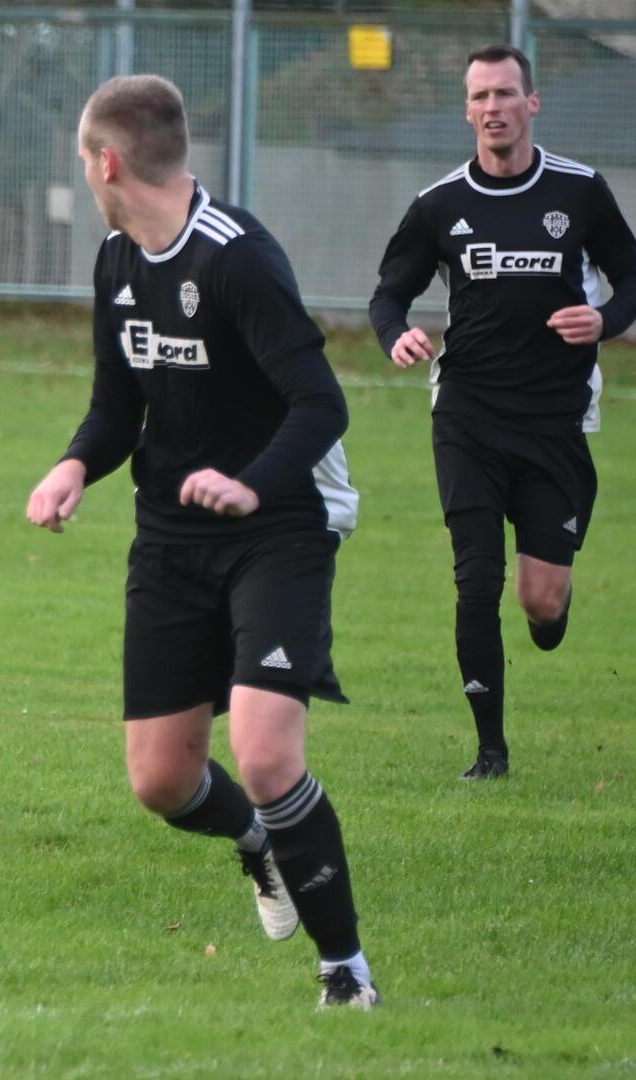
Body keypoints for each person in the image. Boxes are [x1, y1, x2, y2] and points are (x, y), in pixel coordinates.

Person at [25, 75, 377, 1008]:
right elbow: (116, 406)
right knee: (162, 781)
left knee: (264, 754)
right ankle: (258, 844)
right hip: (170, 541)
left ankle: (345, 969)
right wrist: (72, 467)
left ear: (108, 161)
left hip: (277, 530)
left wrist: (249, 481)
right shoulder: (116, 259)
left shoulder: (238, 259)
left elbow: (321, 403)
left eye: (83, 161)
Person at [368, 43, 636, 781]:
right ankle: (490, 752)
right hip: (467, 412)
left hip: (555, 418)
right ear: (466, 110)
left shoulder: (580, 191)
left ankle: (551, 612)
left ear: (533, 102)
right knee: (476, 577)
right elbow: (388, 294)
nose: (492, 108)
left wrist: (605, 321)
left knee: (541, 602)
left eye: (504, 94)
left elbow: (634, 281)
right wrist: (395, 333)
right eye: (479, 97)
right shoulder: (439, 206)